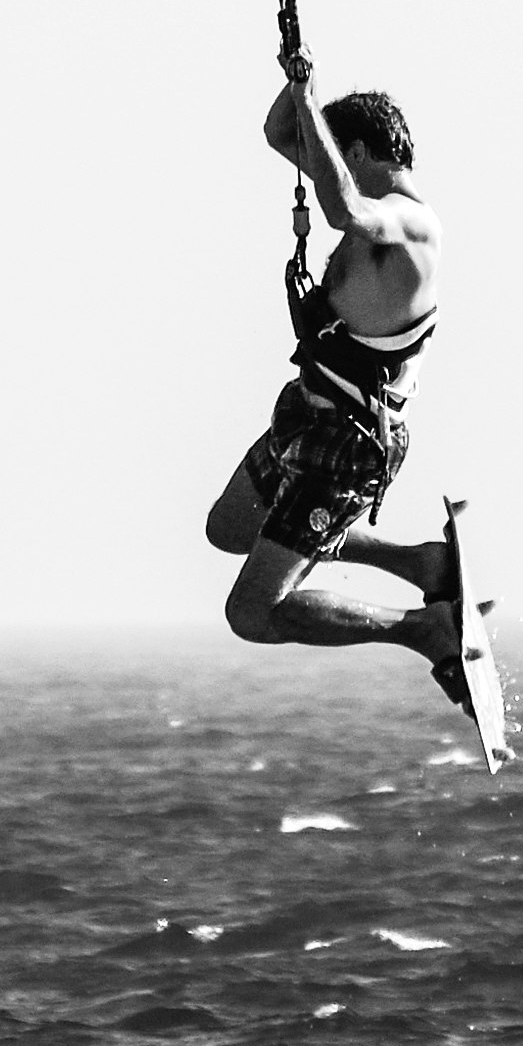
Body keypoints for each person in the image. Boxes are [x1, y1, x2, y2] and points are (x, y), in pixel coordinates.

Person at [204, 53, 466, 705]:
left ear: (358, 151)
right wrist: (300, 86)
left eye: (334, 160)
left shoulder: (409, 223)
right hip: (307, 415)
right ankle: (421, 563)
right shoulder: (365, 194)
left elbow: (344, 210)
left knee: (252, 613)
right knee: (230, 527)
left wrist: (310, 101)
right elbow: (278, 133)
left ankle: (425, 631)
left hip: (345, 445)